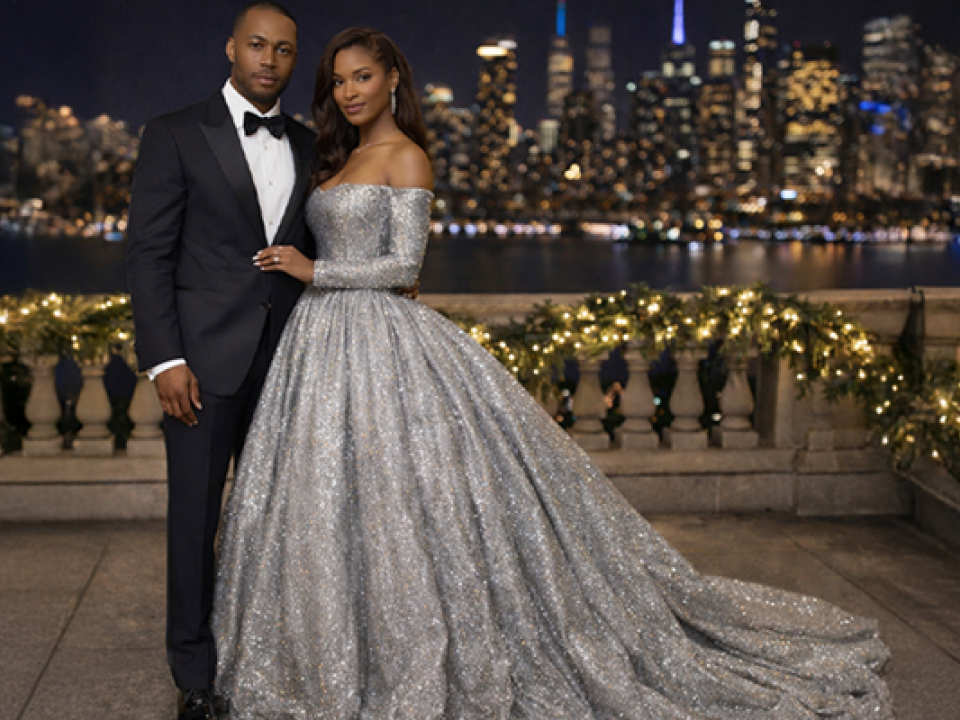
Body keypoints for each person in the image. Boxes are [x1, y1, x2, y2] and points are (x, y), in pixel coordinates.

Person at [212, 27, 894, 719]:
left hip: (376, 335)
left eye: (362, 76)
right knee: (324, 499)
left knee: (409, 500)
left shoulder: (408, 157)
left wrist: (314, 270)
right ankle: (327, 649)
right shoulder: (335, 156)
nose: (349, 91)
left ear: (394, 80)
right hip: (319, 346)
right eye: (338, 81)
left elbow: (404, 269)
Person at [125, 3, 315, 718]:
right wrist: (165, 359)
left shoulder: (309, 141)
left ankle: (274, 650)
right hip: (201, 367)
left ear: (296, 61)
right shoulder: (174, 133)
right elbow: (148, 256)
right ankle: (195, 678)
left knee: (285, 519)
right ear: (231, 48)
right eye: (258, 45)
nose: (269, 59)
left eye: (285, 50)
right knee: (194, 520)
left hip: (295, 364)